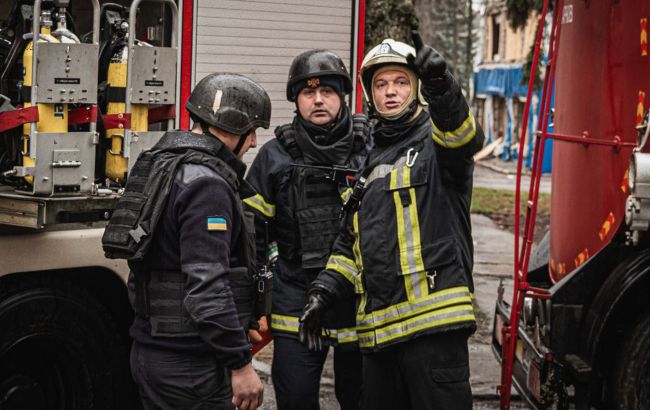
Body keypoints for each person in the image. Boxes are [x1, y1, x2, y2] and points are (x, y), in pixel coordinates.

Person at [299, 32, 485, 410]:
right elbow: (350, 244)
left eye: (401, 82)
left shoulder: (436, 142)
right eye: (381, 84)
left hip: (434, 331)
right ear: (370, 94)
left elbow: (463, 136)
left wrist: (441, 86)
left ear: (416, 89)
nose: (390, 92)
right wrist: (323, 293)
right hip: (380, 340)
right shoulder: (369, 160)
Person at [117, 73, 271, 410]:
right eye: (251, 131)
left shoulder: (165, 165)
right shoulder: (207, 186)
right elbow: (207, 287)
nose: (254, 142)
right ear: (231, 126)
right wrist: (240, 364)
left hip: (154, 353)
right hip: (189, 367)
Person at [243, 49, 366, 410]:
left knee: (361, 398)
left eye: (327, 91)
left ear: (342, 96)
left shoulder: (370, 150)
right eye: (308, 92)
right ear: (296, 100)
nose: (318, 100)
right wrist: (254, 304)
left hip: (358, 300)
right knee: (296, 397)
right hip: (295, 299)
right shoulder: (274, 157)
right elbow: (251, 236)